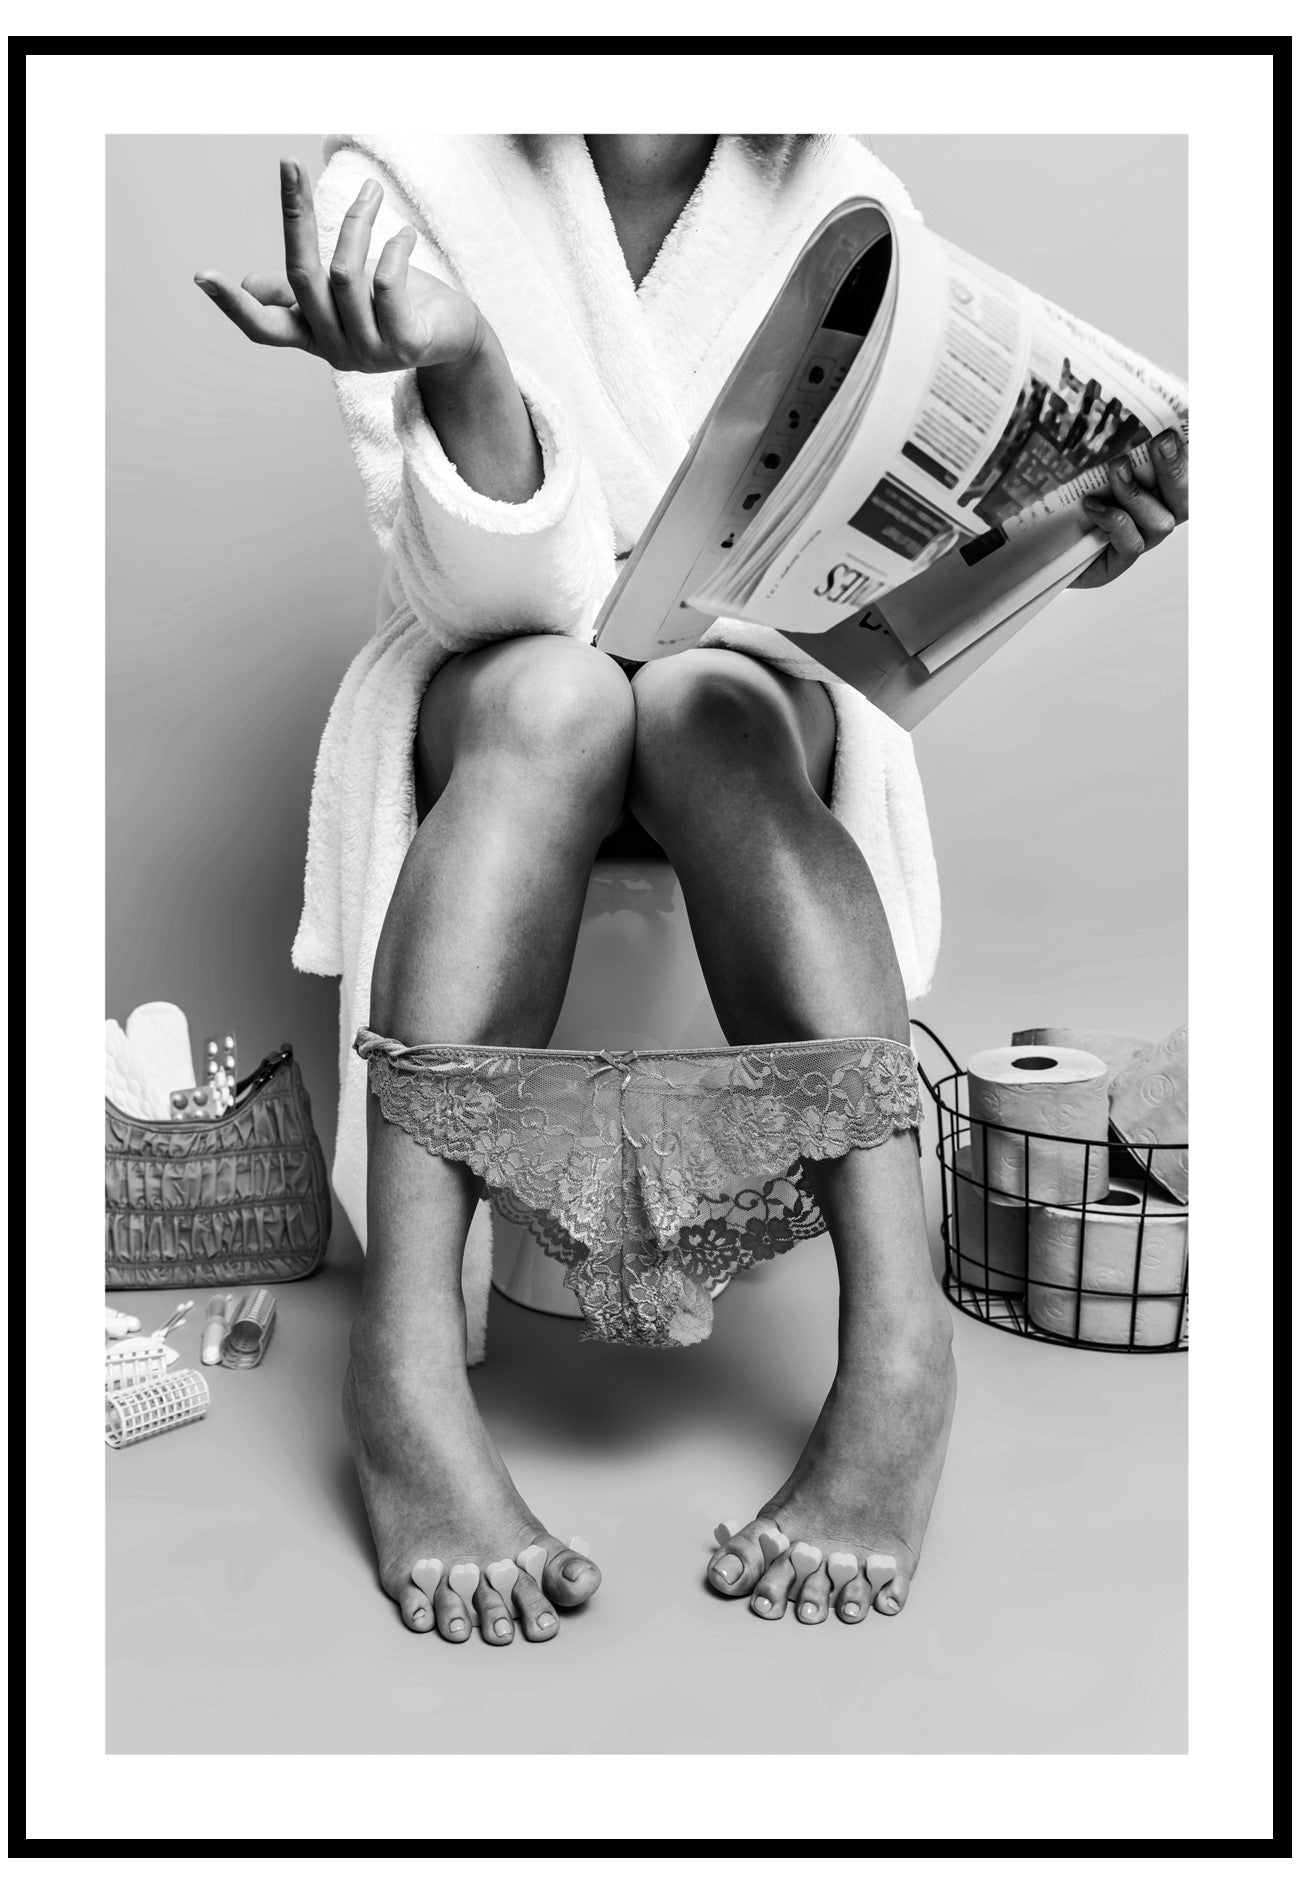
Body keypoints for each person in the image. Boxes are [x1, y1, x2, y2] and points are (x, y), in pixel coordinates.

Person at [195, 133, 1189, 1646]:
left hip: (756, 687)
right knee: (566, 703)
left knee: (704, 708)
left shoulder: (845, 193)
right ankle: (401, 1368)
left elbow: (875, 616)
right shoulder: (398, 169)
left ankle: (900, 1348)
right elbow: (483, 597)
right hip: (501, 666)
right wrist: (462, 366)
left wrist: (1062, 538)